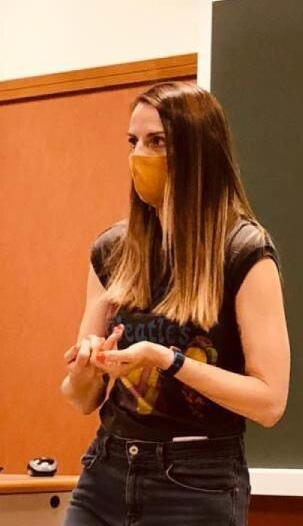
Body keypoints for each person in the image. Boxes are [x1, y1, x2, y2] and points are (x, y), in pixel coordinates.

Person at [59, 81, 290, 526]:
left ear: (198, 152)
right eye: (134, 142)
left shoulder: (243, 252)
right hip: (106, 470)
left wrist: (166, 359)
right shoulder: (113, 250)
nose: (140, 155)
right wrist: (84, 369)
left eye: (157, 141)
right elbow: (79, 398)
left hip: (195, 482)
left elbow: (269, 402)